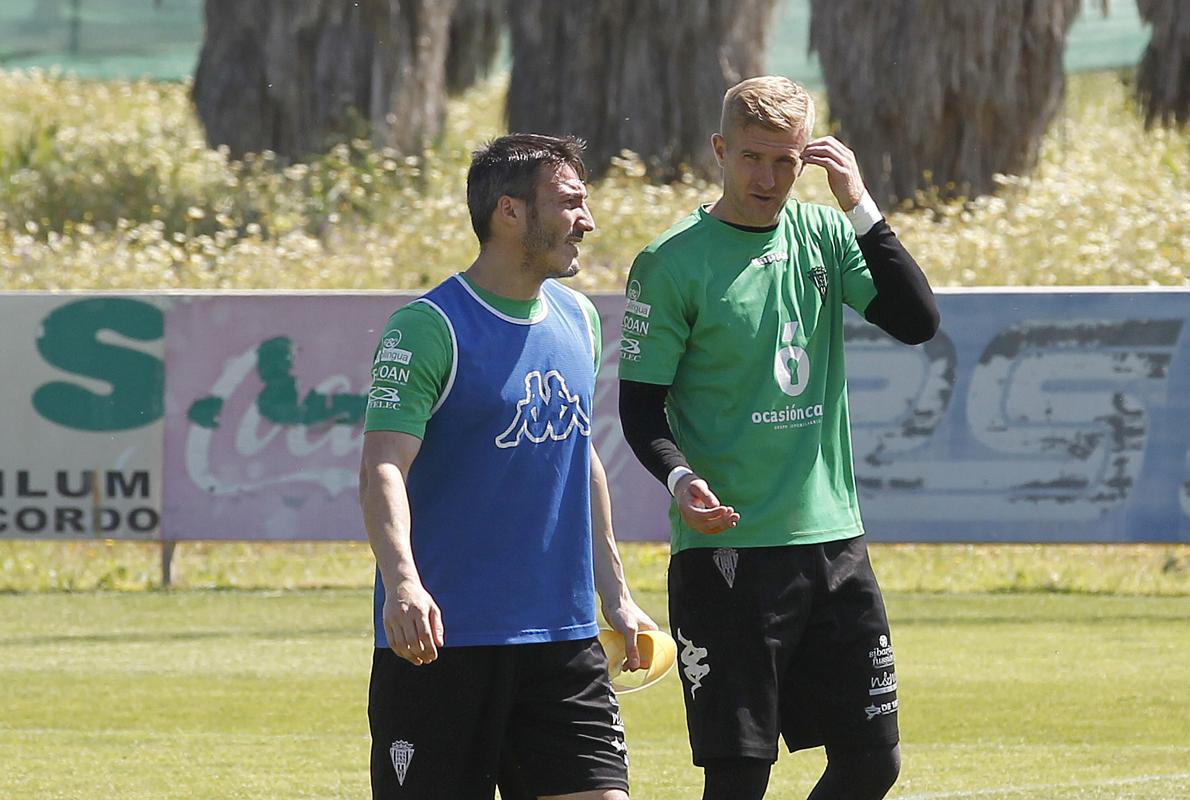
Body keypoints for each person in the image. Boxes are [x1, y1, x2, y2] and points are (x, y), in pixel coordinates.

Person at [617, 76, 939, 800]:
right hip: (727, 558)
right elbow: (640, 411)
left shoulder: (825, 234)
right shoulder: (670, 262)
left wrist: (858, 203)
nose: (769, 179)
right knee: (740, 778)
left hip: (833, 544)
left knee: (871, 761)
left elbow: (917, 321)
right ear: (721, 151)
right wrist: (680, 479)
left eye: (788, 161)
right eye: (754, 159)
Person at [360, 133, 656, 800]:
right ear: (510, 212)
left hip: (564, 639)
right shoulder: (428, 327)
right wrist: (402, 584)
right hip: (442, 641)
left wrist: (616, 594)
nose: (587, 220)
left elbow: (580, 460)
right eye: (570, 202)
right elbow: (383, 465)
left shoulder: (580, 319)